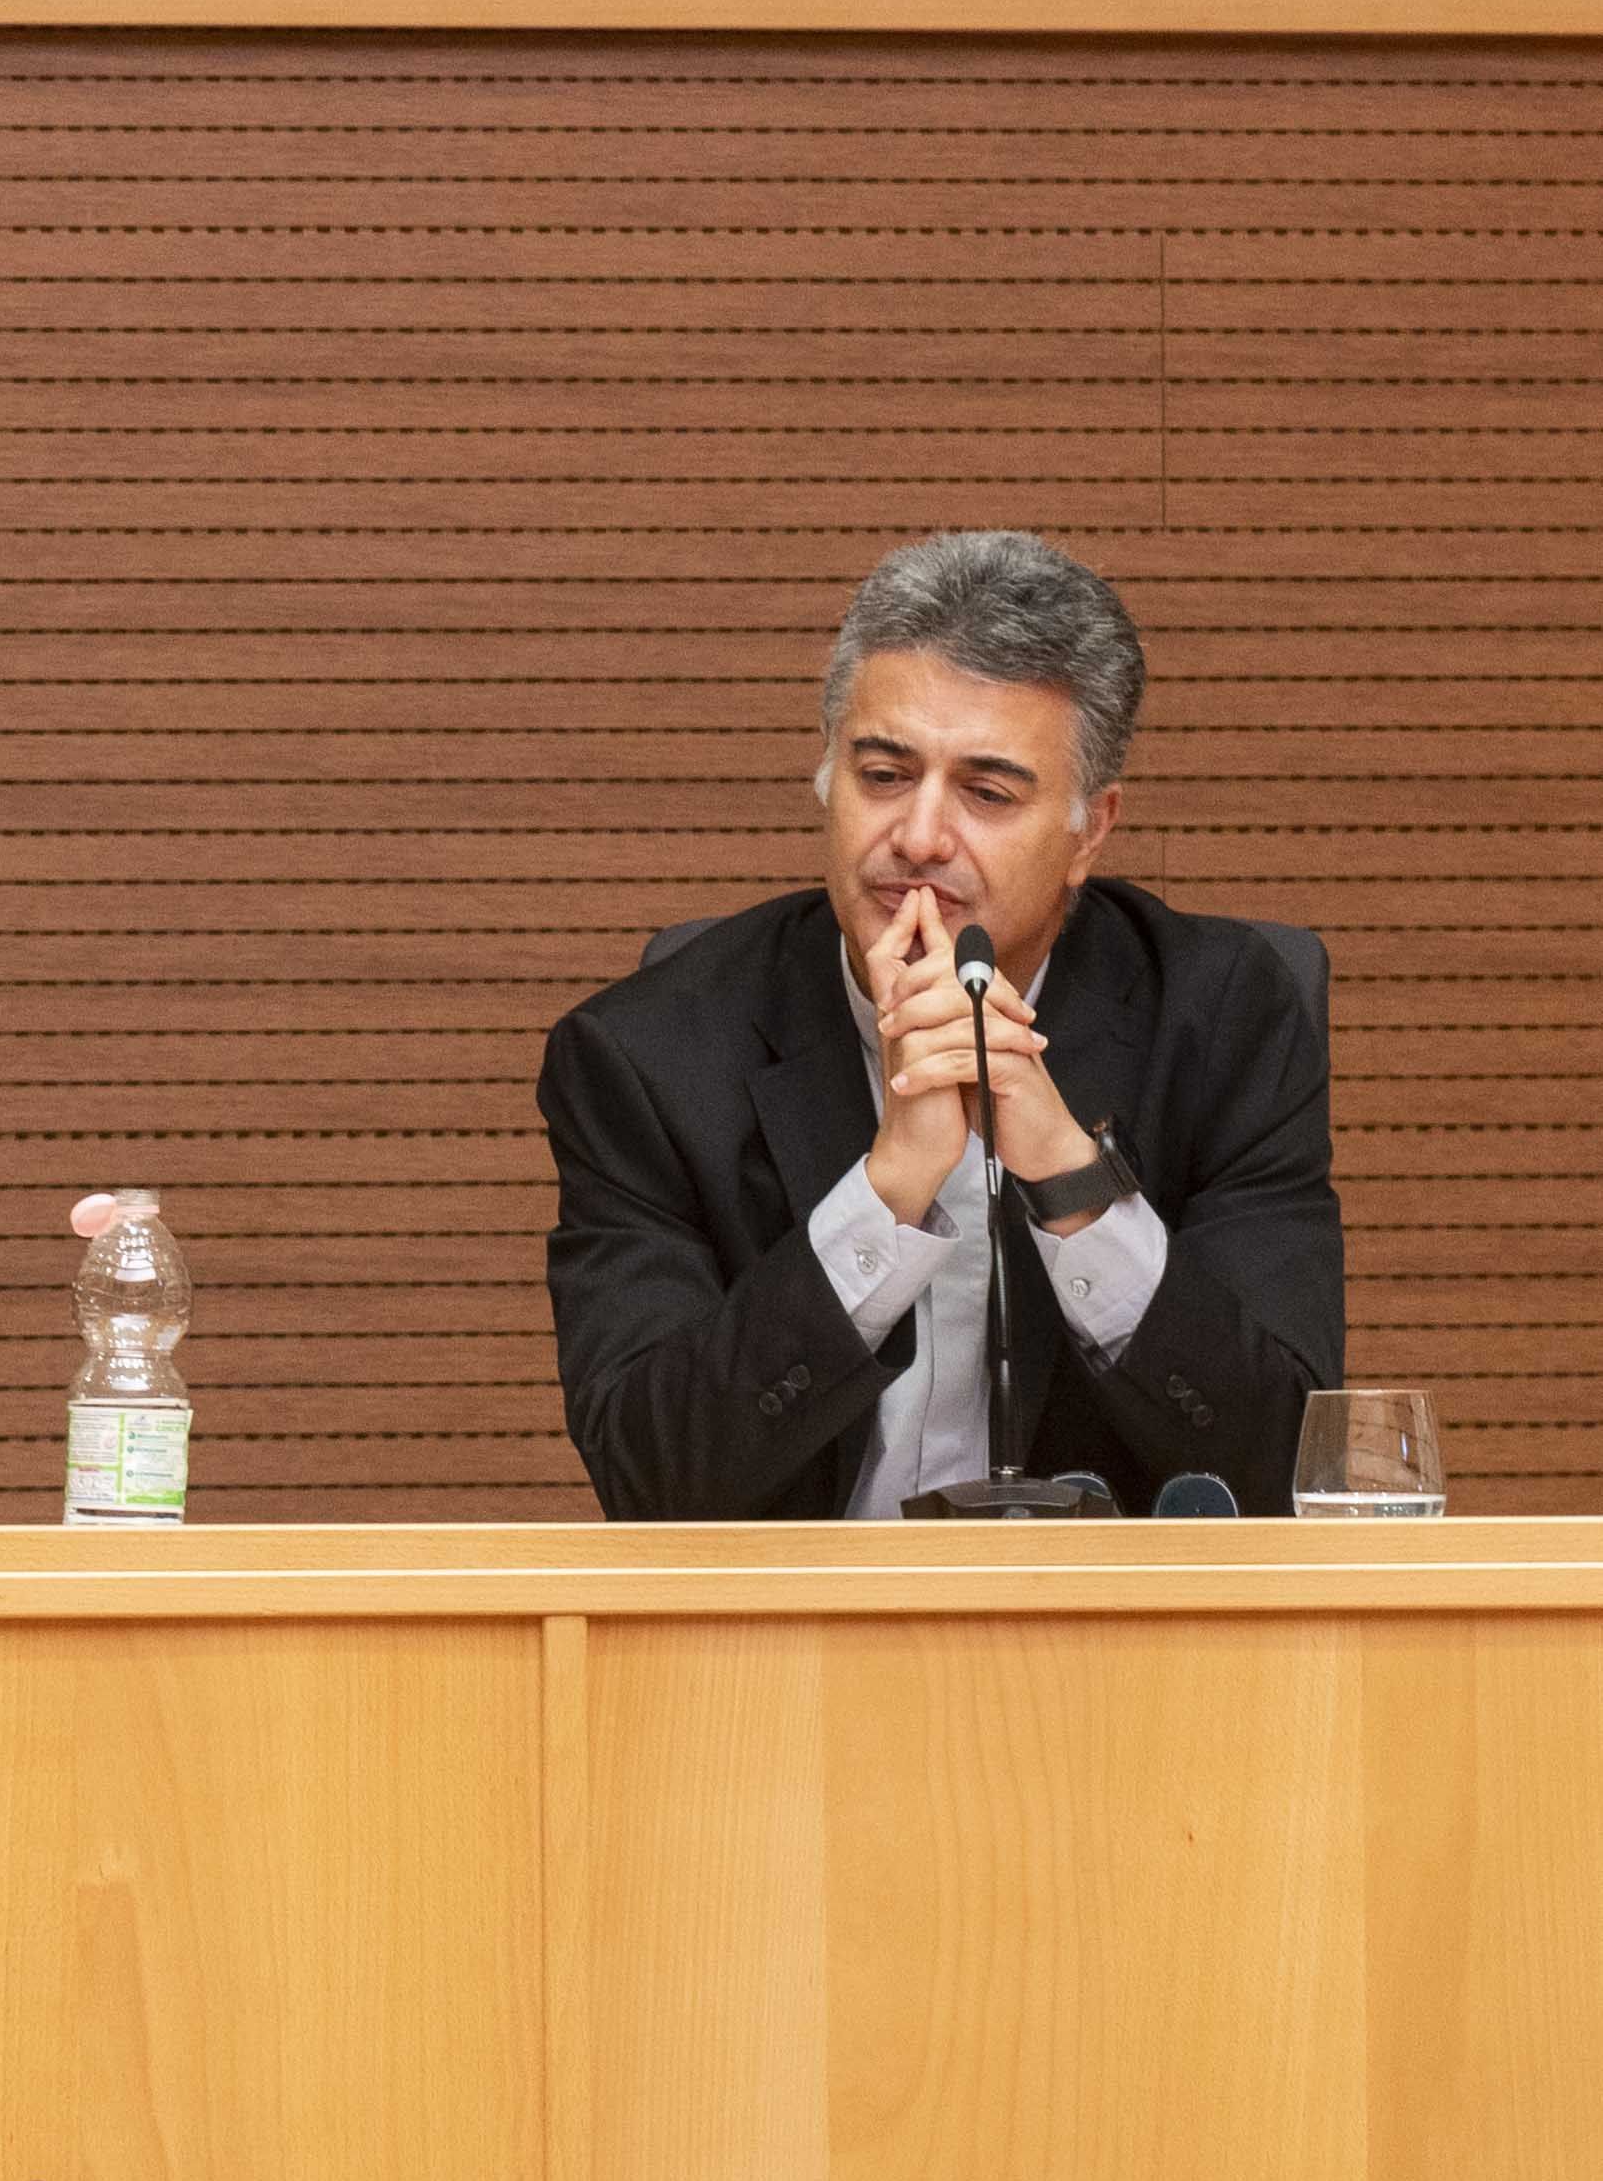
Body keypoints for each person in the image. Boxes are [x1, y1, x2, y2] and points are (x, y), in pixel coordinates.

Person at [539, 531, 1339, 1517]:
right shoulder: (647, 1055)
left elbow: (1279, 1458)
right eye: (881, 774)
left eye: (986, 792)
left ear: (1089, 829)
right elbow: (652, 1481)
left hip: (1117, 1647)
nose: (917, 838)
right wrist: (887, 1189)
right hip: (780, 1652)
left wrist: (1066, 1171)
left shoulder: (1220, 1016)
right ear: (827, 777)